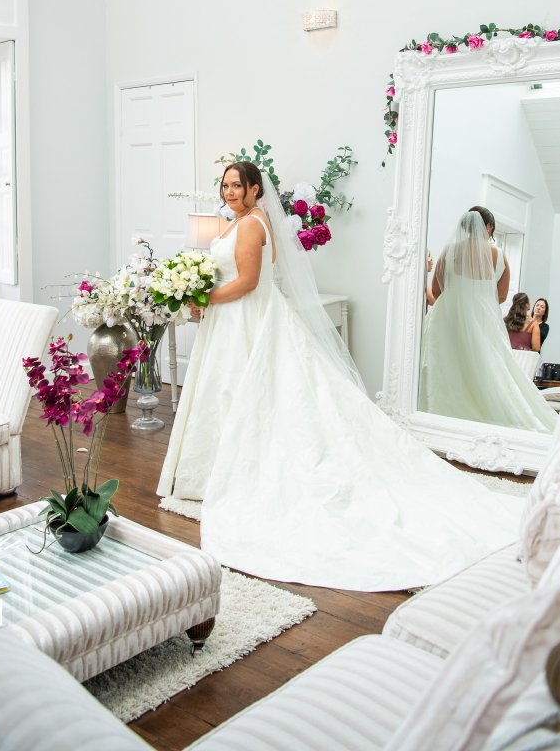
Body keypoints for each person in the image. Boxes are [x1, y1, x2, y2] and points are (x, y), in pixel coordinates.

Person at [157, 164, 522, 592]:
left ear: (256, 189)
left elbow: (249, 282)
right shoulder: (232, 223)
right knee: (231, 392)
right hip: (231, 322)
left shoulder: (253, 225)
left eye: (238, 185)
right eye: (225, 185)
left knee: (250, 393)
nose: (230, 191)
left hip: (247, 317)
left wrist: (202, 297)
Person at [419, 210, 556, 433]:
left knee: (443, 366)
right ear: (489, 227)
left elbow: (436, 290)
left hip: (446, 320)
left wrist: (458, 294)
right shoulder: (499, 256)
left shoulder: (448, 251)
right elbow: (501, 297)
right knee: (486, 369)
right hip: (482, 320)